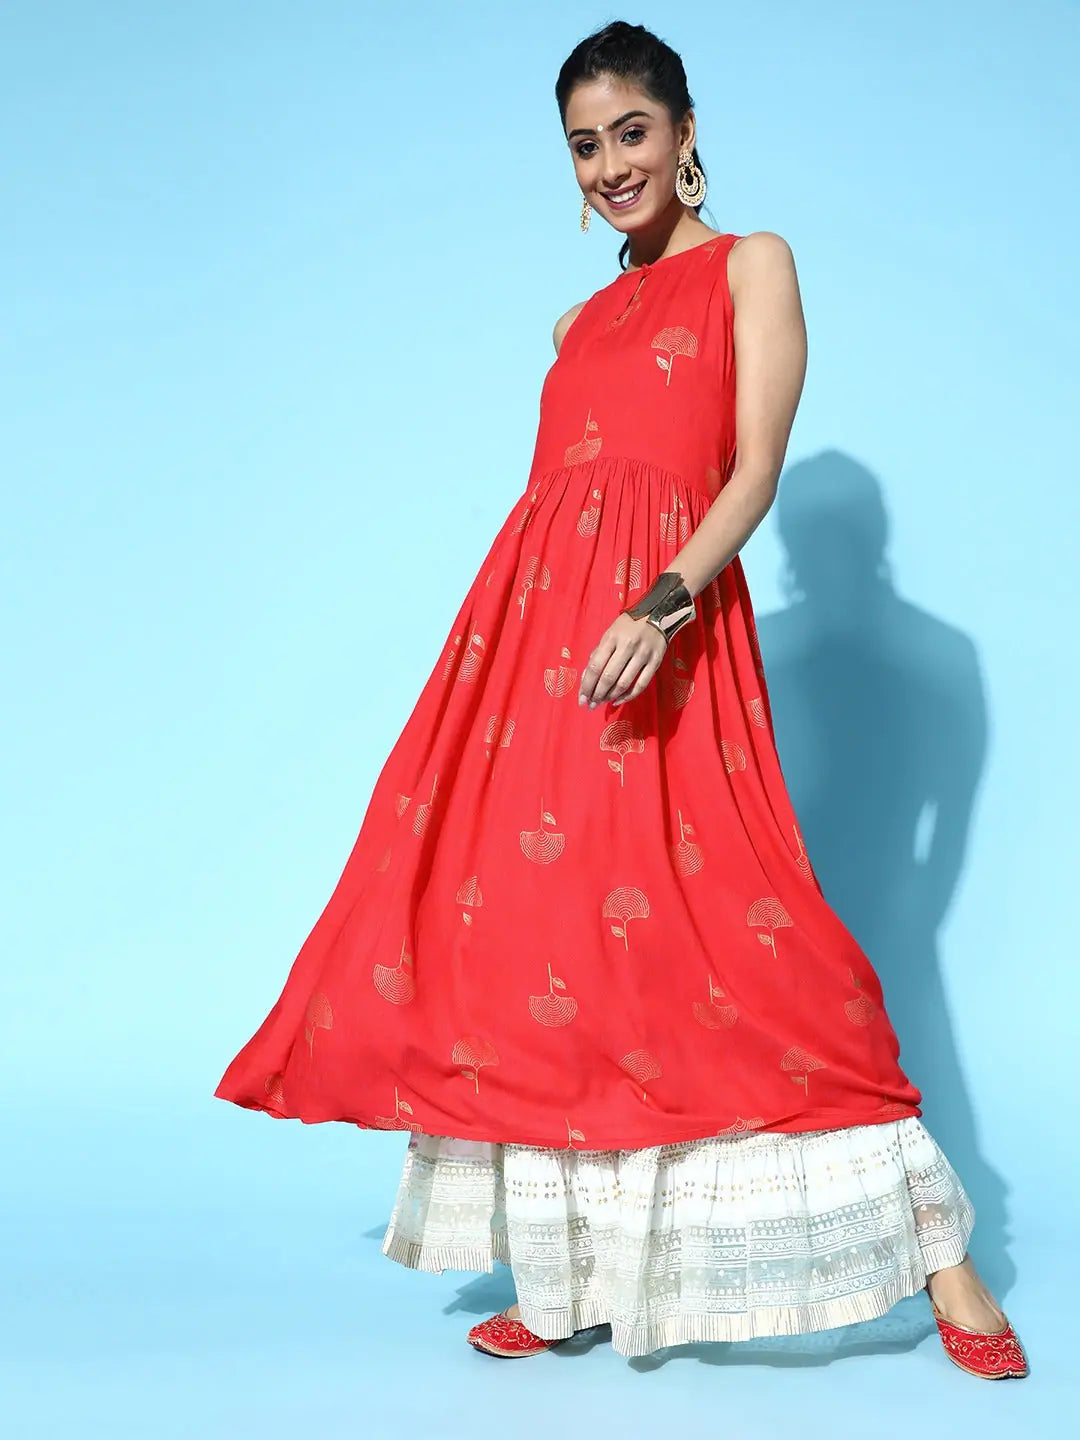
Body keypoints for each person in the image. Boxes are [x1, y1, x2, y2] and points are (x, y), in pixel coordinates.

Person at [214, 20, 1027, 1378]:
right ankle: (569, 1275)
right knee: (552, 946)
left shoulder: (753, 265)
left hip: (667, 641)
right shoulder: (574, 322)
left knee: (757, 943)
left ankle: (944, 1257)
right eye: (585, 146)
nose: (610, 166)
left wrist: (661, 606)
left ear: (686, 133)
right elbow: (557, 509)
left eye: (631, 133)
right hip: (535, 657)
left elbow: (751, 472)